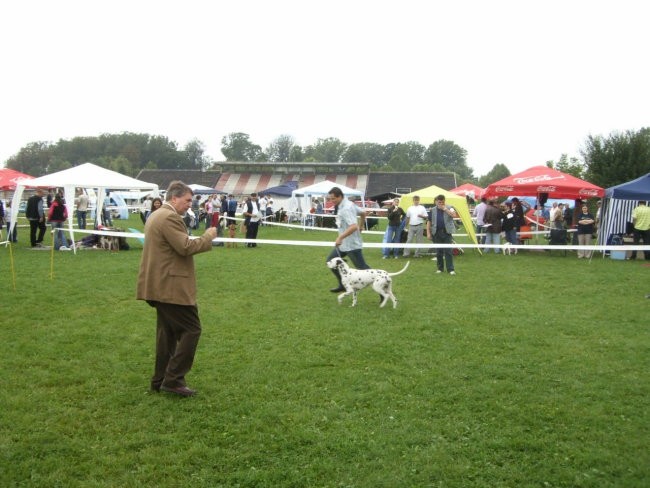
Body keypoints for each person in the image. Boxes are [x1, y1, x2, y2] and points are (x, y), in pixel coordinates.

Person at [136, 181, 218, 397]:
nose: (189, 205)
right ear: (174, 198)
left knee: (167, 335)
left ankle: (160, 379)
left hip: (159, 284)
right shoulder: (170, 217)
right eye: (187, 200)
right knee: (192, 329)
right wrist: (208, 236)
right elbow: (185, 247)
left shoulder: (156, 215)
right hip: (170, 287)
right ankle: (173, 379)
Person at [326, 186, 370, 292]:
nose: (331, 201)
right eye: (330, 199)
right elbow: (363, 213)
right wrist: (362, 225)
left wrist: (340, 237)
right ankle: (342, 284)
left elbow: (353, 226)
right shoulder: (346, 204)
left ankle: (380, 280)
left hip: (352, 245)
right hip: (343, 245)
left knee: (363, 269)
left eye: (333, 199)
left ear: (340, 196)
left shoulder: (346, 207)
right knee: (330, 262)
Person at [426, 194, 456, 274]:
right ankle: (440, 268)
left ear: (444, 201)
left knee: (448, 251)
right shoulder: (432, 210)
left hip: (447, 232)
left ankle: (451, 269)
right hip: (436, 233)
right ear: (436, 202)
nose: (441, 204)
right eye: (439, 202)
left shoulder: (450, 207)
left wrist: (445, 209)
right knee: (438, 251)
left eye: (442, 202)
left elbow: (454, 215)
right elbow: (429, 222)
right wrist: (428, 233)